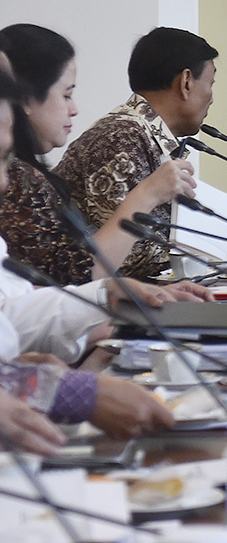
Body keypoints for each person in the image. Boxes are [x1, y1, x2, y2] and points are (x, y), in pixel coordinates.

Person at [0, 65, 175, 446]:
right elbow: (76, 269)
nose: (3, 181)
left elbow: (9, 314)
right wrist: (69, 391)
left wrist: (106, 294)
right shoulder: (121, 134)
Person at [0, 24, 198, 285]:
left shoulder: (28, 174)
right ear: (25, 99)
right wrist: (146, 194)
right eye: (66, 95)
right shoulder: (19, 180)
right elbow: (78, 276)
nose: (74, 109)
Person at [54, 27, 227, 279]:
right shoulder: (119, 137)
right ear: (185, 82)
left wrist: (217, 230)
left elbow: (160, 234)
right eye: (210, 83)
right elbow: (129, 256)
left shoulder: (142, 134)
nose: (211, 97)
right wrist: (217, 238)